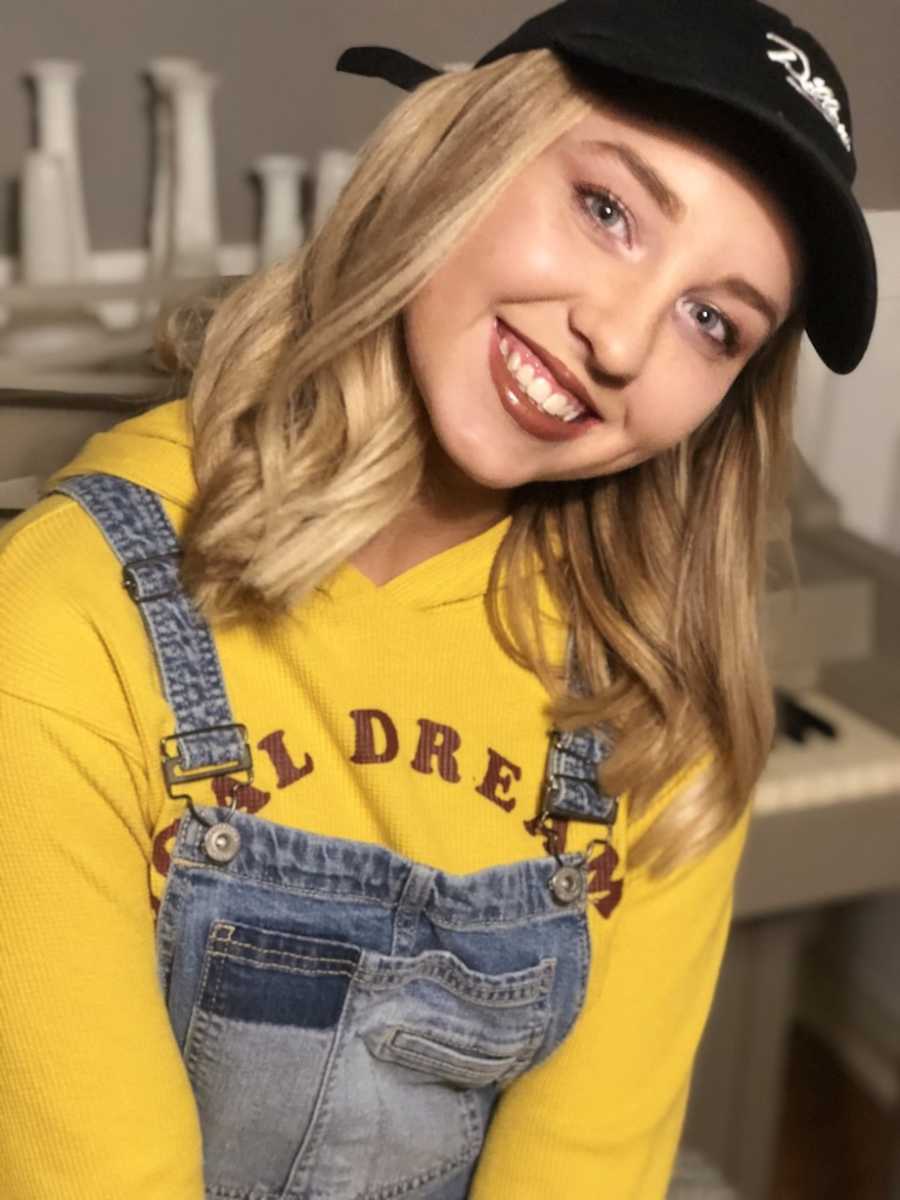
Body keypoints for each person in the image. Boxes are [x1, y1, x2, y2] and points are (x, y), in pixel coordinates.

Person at [0, 1, 877, 1197]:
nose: (618, 341)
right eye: (607, 208)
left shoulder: (661, 713)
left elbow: (581, 1173)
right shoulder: (70, 622)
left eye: (711, 320)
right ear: (462, 151)